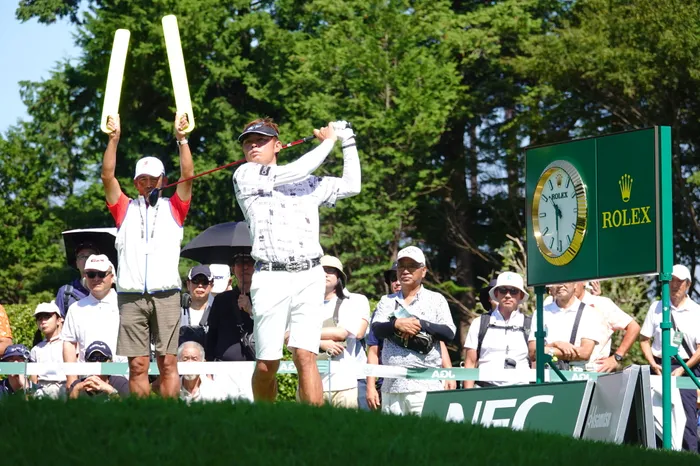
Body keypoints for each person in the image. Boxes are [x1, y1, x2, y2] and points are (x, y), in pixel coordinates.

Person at [232, 117, 360, 405]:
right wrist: (328, 142)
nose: (253, 146)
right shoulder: (245, 174)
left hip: (309, 274)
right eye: (248, 143)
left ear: (278, 146)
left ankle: (312, 423)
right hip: (270, 276)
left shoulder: (307, 183)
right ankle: (264, 421)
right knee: (267, 364)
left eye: (261, 141)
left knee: (305, 355)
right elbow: (296, 169)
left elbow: (353, 185)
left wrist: (347, 140)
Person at [101, 114, 193, 398]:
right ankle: (142, 416)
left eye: (154, 179)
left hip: (167, 295)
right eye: (143, 179)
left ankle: (168, 416)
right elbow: (107, 176)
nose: (149, 184)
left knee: (168, 363)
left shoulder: (175, 207)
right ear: (135, 183)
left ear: (164, 180)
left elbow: (188, 176)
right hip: (131, 296)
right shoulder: (123, 208)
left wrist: (182, 140)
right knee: (137, 365)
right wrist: (113, 139)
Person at [370, 246, 456, 415]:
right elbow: (377, 330)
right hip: (392, 388)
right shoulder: (386, 301)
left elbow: (449, 333)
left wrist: (421, 324)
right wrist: (396, 324)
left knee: (426, 432)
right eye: (401, 266)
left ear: (423, 271)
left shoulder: (436, 299)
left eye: (412, 266)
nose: (405, 271)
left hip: (426, 386)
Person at [640, 264, 700, 452]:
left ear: (688, 285)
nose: (674, 285)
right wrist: (653, 364)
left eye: (679, 282)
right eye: (671, 280)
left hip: (687, 368)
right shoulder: (656, 307)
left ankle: (690, 458)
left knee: (687, 418)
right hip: (659, 367)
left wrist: (682, 369)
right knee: (656, 416)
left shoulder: (696, 311)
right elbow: (644, 339)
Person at [61, 254, 124, 390]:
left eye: (101, 274)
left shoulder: (125, 305)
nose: (96, 278)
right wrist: (71, 379)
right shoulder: (75, 308)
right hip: (87, 379)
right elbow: (69, 343)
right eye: (91, 274)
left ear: (112, 276)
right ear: (85, 276)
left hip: (122, 376)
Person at [316, 255, 370, 408]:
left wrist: (304, 334)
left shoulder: (351, 302)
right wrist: (320, 343)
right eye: (321, 270)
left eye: (330, 270)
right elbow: (288, 337)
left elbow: (341, 333)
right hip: (311, 383)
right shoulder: (304, 304)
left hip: (344, 384)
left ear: (339, 276)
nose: (325, 274)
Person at [464, 272, 530, 388]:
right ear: (496, 293)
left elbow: (535, 362)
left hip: (521, 390)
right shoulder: (479, 323)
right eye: (503, 290)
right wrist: (468, 395)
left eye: (513, 291)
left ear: (521, 295)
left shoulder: (530, 324)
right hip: (485, 389)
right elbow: (470, 362)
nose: (508, 295)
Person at [206, 253, 255, 400]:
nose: (245, 267)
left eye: (249, 262)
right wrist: (208, 368)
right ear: (233, 269)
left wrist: (251, 311)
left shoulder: (264, 298)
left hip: (254, 367)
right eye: (240, 263)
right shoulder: (221, 300)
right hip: (223, 369)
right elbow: (211, 336)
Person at [528, 282, 600, 369]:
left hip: (575, 375)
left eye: (565, 281)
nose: (560, 285)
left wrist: (547, 350)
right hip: (547, 374)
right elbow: (533, 353)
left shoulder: (589, 312)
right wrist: (556, 344)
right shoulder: (541, 312)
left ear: (575, 284)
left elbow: (585, 353)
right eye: (556, 281)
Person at [574, 281, 640, 373]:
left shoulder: (601, 304)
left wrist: (616, 357)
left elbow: (633, 327)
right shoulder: (556, 306)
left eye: (573, 281)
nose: (570, 286)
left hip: (593, 371)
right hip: (561, 370)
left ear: (584, 282)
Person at [30, 302, 66, 399]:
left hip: (64, 390)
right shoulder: (35, 349)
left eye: (47, 316)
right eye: (39, 318)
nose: (43, 321)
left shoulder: (68, 345)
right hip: (41, 393)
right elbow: (34, 379)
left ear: (59, 320)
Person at [55, 242, 98, 318]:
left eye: (91, 256)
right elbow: (59, 322)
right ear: (76, 263)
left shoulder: (109, 289)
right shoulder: (66, 292)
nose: (86, 259)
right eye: (82, 256)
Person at [180, 265, 214, 346]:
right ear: (188, 284)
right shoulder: (177, 312)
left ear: (211, 285)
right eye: (196, 281)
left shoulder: (217, 313)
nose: (200, 285)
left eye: (205, 282)